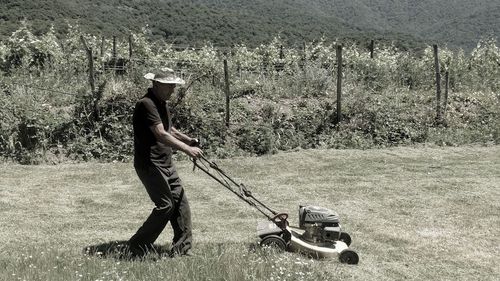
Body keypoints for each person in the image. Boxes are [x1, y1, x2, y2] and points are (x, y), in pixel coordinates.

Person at [128, 68, 203, 258]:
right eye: (170, 86)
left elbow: (169, 129)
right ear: (157, 84)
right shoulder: (146, 104)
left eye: (174, 86)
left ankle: (182, 249)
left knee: (181, 204)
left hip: (165, 162)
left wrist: (188, 140)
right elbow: (160, 134)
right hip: (150, 164)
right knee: (165, 206)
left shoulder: (161, 103)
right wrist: (187, 150)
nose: (173, 90)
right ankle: (137, 246)